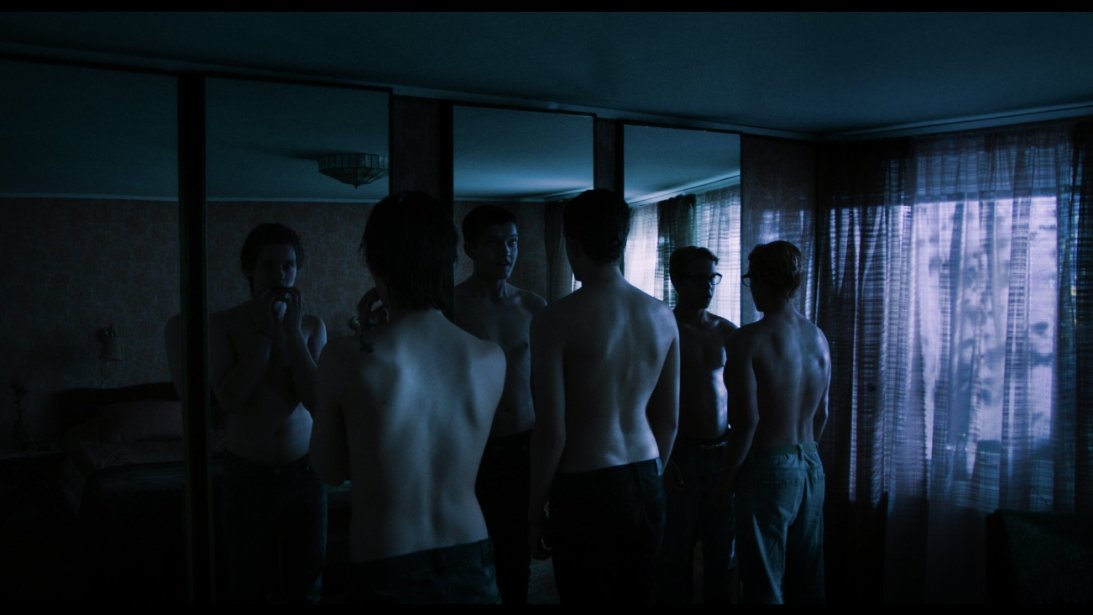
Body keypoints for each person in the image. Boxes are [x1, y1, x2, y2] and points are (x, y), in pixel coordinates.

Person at [310, 191, 506, 605]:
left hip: (388, 557)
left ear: (375, 263)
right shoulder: (489, 358)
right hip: (471, 550)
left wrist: (368, 336)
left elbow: (330, 469)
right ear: (449, 262)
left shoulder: (346, 357)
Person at [527, 188, 680, 604]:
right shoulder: (662, 315)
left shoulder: (554, 320)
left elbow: (552, 432)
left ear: (573, 245)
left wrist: (533, 511)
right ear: (621, 240)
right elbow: (668, 420)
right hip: (645, 474)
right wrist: (651, 479)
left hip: (586, 484)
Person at [201, 222, 328, 604]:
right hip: (246, 474)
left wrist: (292, 334)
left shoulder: (311, 327)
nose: (280, 275)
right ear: (250, 270)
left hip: (304, 471)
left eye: (289, 265)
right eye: (269, 265)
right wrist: (264, 339)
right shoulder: (224, 325)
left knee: (306, 584)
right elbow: (230, 400)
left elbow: (316, 400)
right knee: (248, 583)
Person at [724, 240, 830, 604]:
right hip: (811, 463)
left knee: (764, 582)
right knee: (807, 580)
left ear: (760, 280)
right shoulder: (817, 337)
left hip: (769, 464)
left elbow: (747, 421)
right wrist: (801, 456)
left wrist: (726, 481)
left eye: (750, 279)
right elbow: (822, 413)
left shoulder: (747, 340)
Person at [452, 205, 546, 605]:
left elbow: (547, 386)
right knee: (471, 554)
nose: (506, 252)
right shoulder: (451, 307)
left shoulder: (533, 307)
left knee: (516, 557)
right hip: (473, 449)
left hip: (525, 443)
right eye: (494, 243)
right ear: (470, 248)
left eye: (512, 242)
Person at [657, 246, 739, 604]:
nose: (708, 287)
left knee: (721, 555)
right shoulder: (664, 329)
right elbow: (645, 397)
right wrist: (664, 457)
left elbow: (744, 398)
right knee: (674, 556)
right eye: (700, 279)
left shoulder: (728, 331)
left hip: (721, 452)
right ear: (677, 281)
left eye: (712, 279)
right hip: (681, 453)